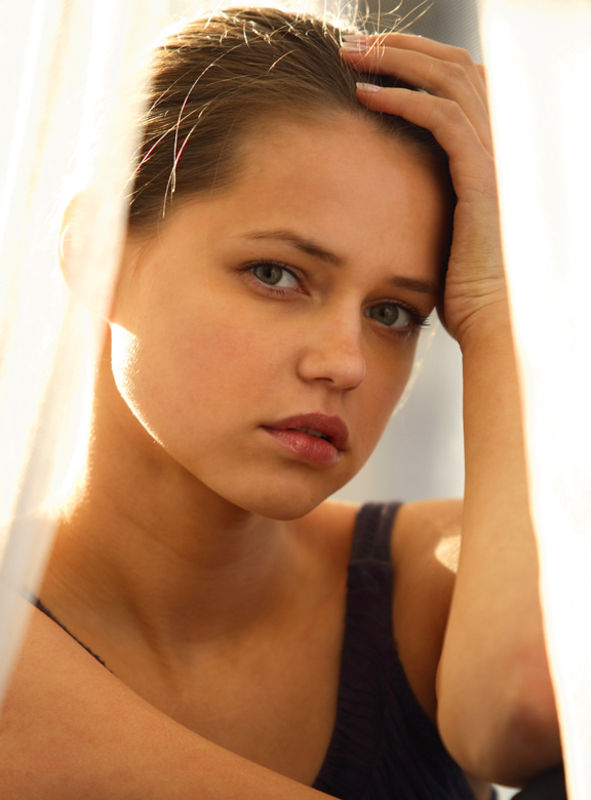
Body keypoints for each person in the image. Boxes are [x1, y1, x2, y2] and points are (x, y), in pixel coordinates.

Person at [0, 6, 562, 799]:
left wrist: (502, 309)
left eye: (393, 312)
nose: (344, 364)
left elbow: (526, 705)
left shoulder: (443, 575)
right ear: (98, 249)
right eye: (276, 274)